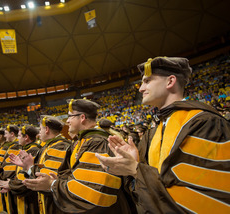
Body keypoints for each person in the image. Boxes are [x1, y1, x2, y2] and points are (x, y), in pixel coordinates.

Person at [96, 57, 230, 213]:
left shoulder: (205, 123)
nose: (140, 89)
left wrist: (136, 169)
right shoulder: (153, 131)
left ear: (170, 81)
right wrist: (135, 161)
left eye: (147, 81)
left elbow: (199, 199)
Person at [24, 99, 134, 213]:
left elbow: (90, 191)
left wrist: (53, 184)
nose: (67, 121)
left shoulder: (97, 142)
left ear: (82, 118)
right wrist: (60, 181)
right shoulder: (82, 141)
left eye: (70, 116)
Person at [18, 115, 71, 214]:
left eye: (41, 129)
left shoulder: (59, 146)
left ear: (46, 129)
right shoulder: (50, 145)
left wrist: (29, 167)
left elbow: (44, 182)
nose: (39, 132)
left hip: (55, 205)